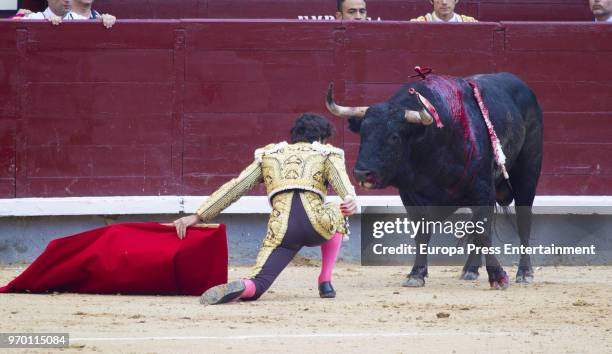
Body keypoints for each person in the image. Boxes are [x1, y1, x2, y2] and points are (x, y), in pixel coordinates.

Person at [173, 113, 358, 305]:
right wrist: (350, 200)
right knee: (338, 209)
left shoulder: (269, 155)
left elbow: (236, 187)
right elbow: (343, 187)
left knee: (258, 283)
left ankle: (245, 286)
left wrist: (198, 215)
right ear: (321, 138)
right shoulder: (326, 153)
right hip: (319, 224)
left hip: (282, 230)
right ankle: (325, 280)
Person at [410, 0, 477, 22]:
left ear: (456, 0)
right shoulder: (418, 24)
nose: (444, 2)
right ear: (431, 1)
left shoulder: (470, 23)